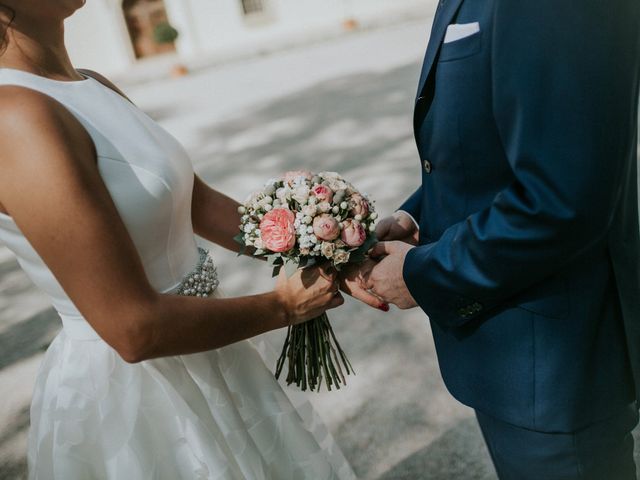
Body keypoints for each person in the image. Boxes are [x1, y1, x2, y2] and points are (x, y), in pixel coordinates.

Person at [0, 1, 357, 478]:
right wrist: (284, 307)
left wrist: (330, 240)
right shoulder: (14, 118)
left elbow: (196, 202)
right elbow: (132, 328)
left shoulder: (91, 83)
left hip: (213, 346)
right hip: (138, 395)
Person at [349, 0, 640, 478]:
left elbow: (563, 198)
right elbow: (491, 151)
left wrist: (421, 273)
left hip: (555, 370)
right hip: (511, 360)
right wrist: (416, 215)